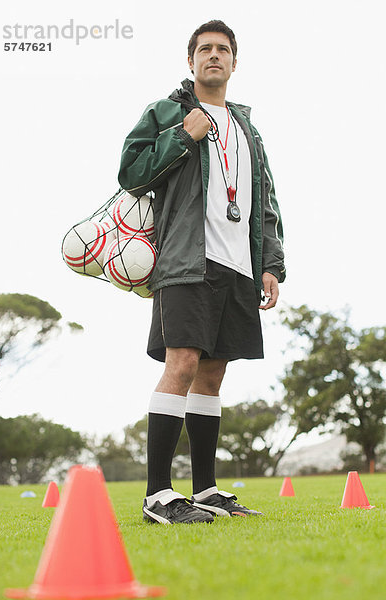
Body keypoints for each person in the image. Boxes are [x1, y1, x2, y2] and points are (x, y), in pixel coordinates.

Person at [118, 20, 286, 524]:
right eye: (205, 49)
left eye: (223, 50)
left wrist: (271, 264)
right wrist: (181, 137)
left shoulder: (248, 130)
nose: (214, 56)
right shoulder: (167, 112)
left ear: (235, 62)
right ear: (190, 61)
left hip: (238, 265)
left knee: (213, 375)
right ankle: (157, 496)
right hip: (186, 259)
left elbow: (266, 201)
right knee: (184, 363)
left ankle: (208, 489)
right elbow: (131, 173)